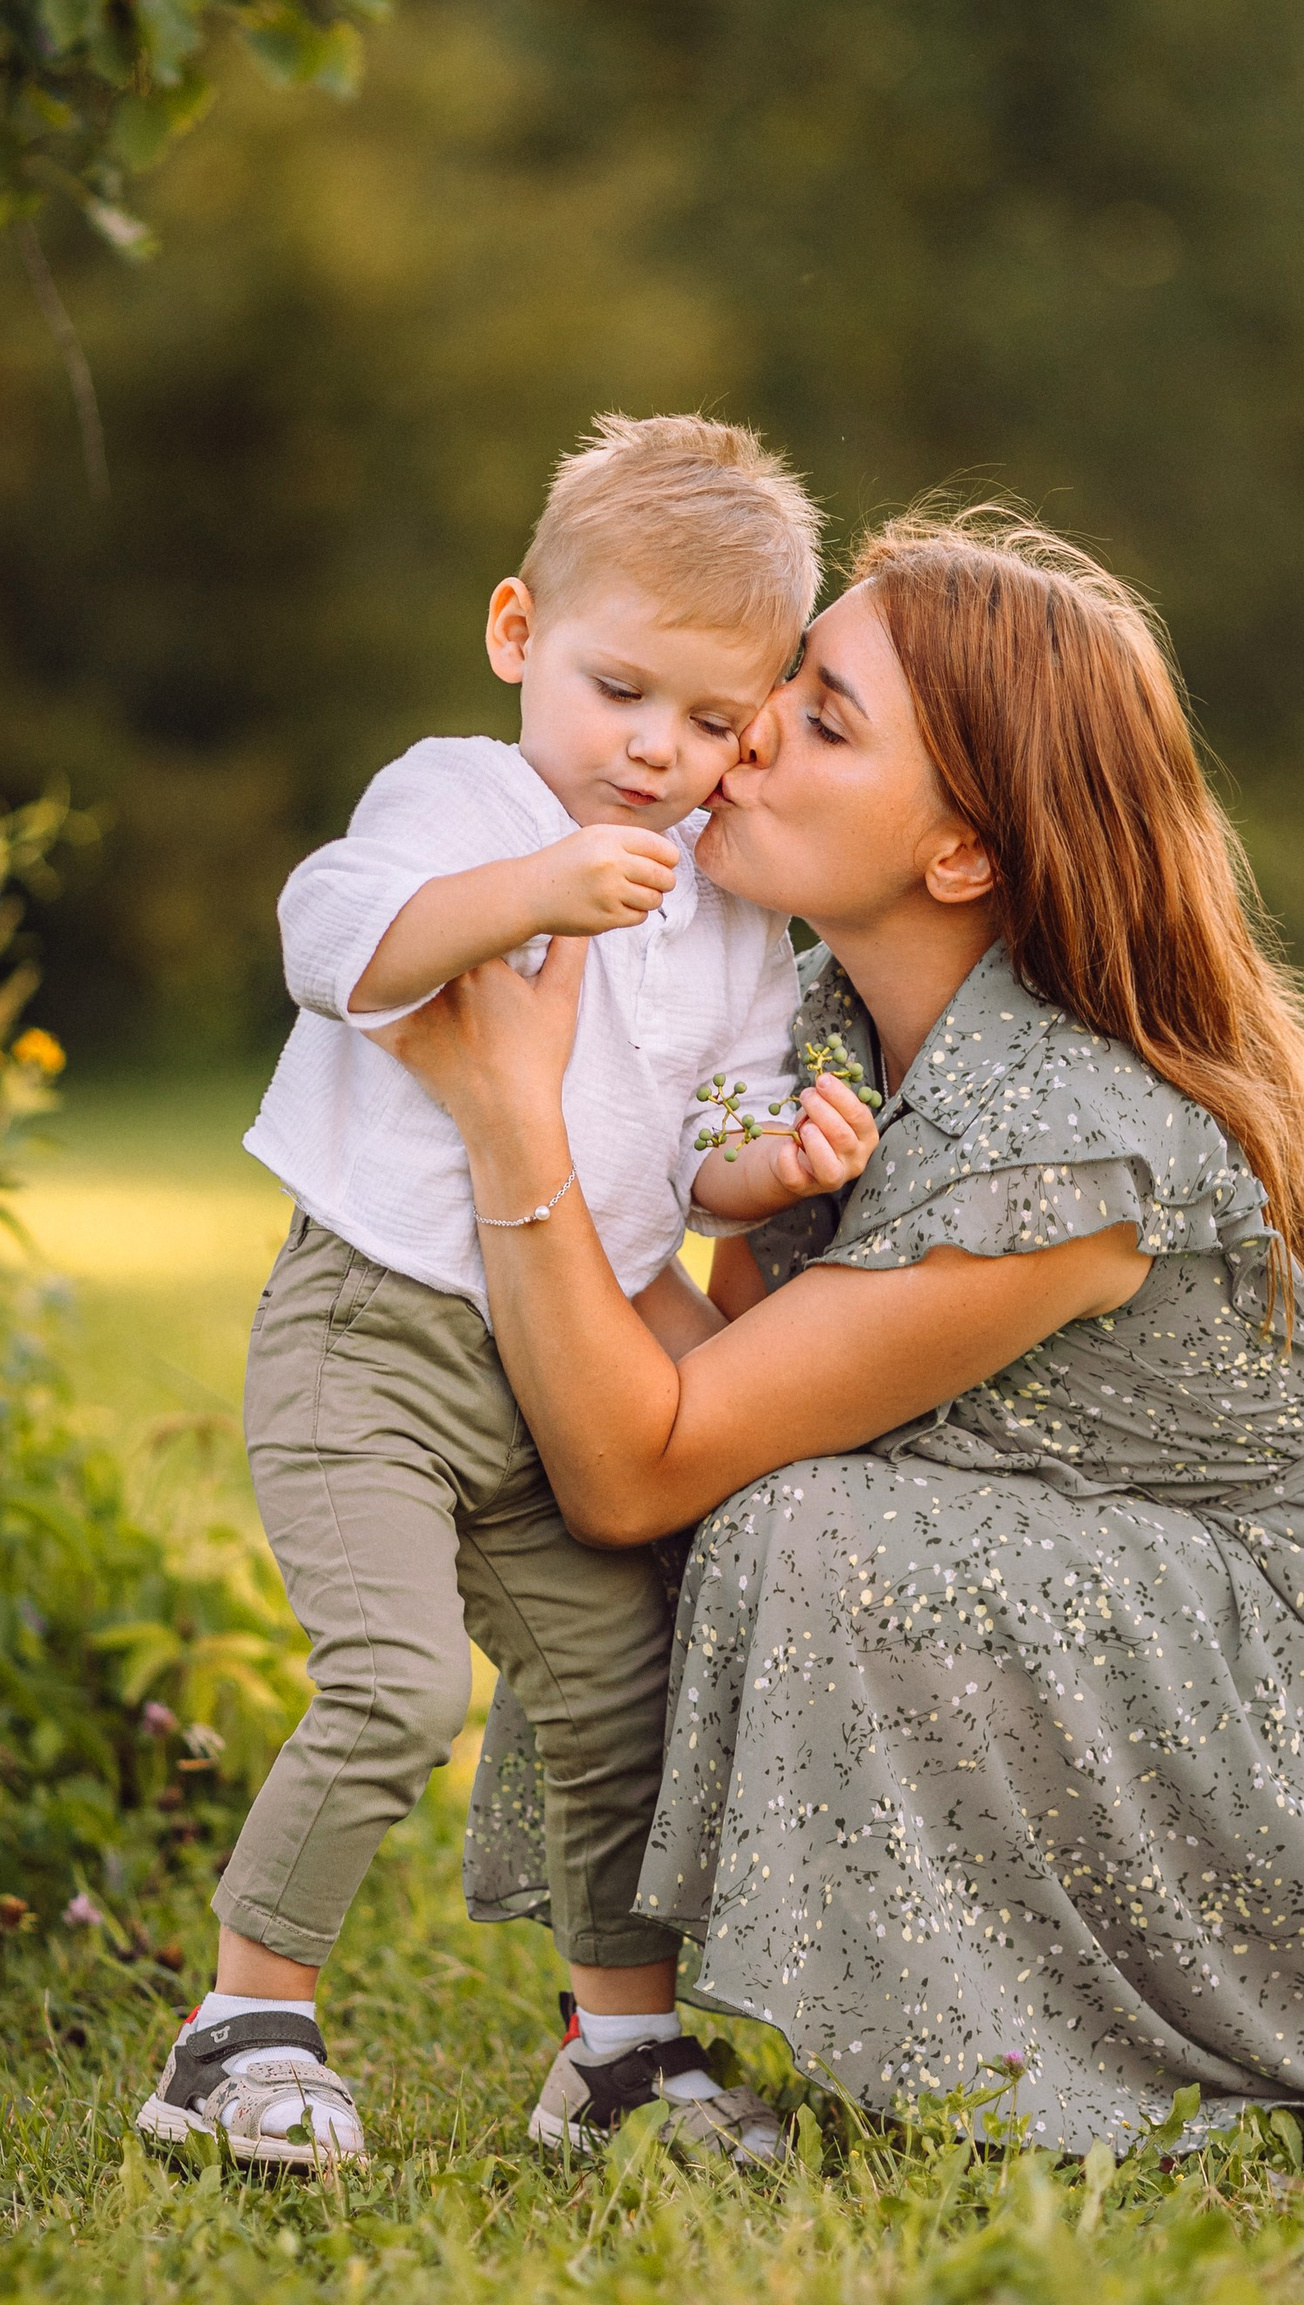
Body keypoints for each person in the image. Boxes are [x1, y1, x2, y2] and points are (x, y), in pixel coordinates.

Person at [397, 510, 1304, 2150]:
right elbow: (700, 1390)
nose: (746, 735)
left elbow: (636, 1470)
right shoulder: (824, 1026)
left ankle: (997, 2045)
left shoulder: (1059, 1150)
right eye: (785, 685)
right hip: (1188, 1559)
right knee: (752, 1496)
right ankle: (624, 2032)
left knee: (809, 1535)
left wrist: (510, 1123)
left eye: (826, 721)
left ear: (961, 856)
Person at [135, 415, 881, 2178]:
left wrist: (774, 1162)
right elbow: (331, 942)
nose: (656, 749)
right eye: (621, 691)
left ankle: (617, 2056)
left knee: (617, 1696)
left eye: (713, 722)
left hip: (565, 1362)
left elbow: (697, 1143)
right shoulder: (462, 801)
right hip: (375, 1332)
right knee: (395, 1686)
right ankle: (239, 2028)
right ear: (516, 633)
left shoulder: (728, 910)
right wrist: (528, 892)